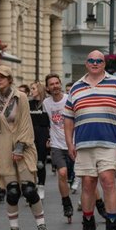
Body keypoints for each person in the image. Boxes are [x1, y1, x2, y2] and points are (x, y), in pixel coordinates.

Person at [63, 50, 116, 230]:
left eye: (99, 61)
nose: (95, 63)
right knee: (88, 184)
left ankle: (112, 224)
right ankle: (88, 221)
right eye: (91, 60)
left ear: (104, 64)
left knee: (108, 181)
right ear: (86, 63)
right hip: (84, 144)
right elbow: (68, 118)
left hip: (109, 142)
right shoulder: (76, 87)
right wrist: (70, 143)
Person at [0, 65, 53, 230]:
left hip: (23, 146)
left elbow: (26, 123)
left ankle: (42, 229)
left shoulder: (21, 97)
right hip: (2, 147)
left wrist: (20, 147)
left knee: (28, 189)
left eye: (2, 77)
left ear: (10, 79)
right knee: (11, 191)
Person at [43, 73, 74, 222]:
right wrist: (47, 138)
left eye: (57, 83)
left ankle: (99, 204)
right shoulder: (46, 103)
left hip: (73, 144)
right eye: (51, 84)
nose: (55, 86)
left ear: (60, 84)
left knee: (86, 177)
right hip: (57, 145)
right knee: (62, 173)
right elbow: (45, 123)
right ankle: (66, 203)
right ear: (48, 88)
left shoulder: (69, 100)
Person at [27, 81, 49, 200]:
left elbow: (50, 122)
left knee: (40, 163)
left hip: (42, 134)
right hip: (30, 135)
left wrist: (49, 137)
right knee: (29, 163)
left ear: (39, 90)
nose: (32, 90)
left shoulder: (46, 104)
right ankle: (31, 187)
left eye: (34, 88)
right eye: (31, 88)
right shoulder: (28, 103)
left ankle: (41, 186)